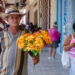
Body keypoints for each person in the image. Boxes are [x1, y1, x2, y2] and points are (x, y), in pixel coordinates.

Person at [0, 5, 39, 75]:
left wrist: (36, 57)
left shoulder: (27, 34)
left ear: (20, 18)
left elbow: (33, 50)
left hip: (21, 72)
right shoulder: (1, 35)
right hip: (3, 72)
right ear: (7, 19)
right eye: (12, 17)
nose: (15, 20)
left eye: (17, 17)